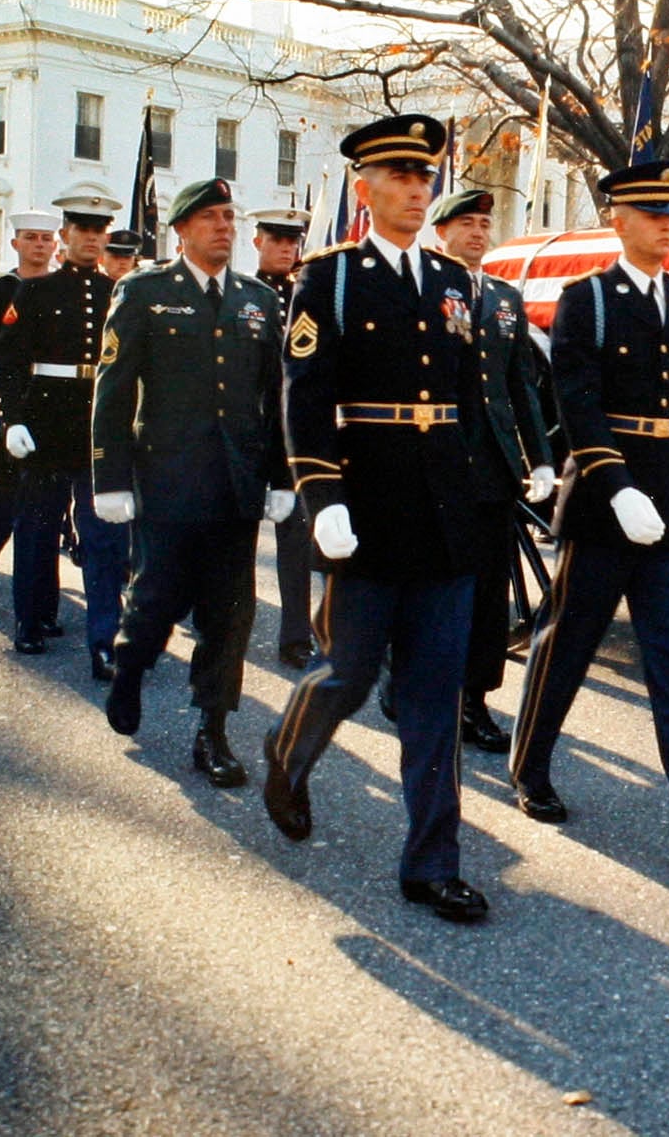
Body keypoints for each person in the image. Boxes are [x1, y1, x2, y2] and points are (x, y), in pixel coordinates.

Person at [260, 116, 491, 924]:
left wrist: (488, 491)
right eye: (400, 175)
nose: (418, 188)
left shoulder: (451, 279)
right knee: (349, 673)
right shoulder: (330, 279)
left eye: (426, 176)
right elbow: (306, 397)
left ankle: (433, 861)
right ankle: (286, 753)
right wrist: (322, 498)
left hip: (443, 516)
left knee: (433, 693)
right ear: (365, 188)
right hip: (365, 508)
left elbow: (468, 398)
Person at [507, 159, 669, 878]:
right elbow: (578, 400)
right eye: (653, 212)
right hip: (604, 504)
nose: (668, 223)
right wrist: (616, 485)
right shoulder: (585, 298)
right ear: (617, 217)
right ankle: (530, 767)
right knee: (567, 647)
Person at [94, 177, 285, 791]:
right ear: (181, 230)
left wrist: (281, 477)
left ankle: (213, 731)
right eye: (209, 218)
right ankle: (130, 665)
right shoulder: (144, 291)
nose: (224, 227)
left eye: (230, 216)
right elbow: (113, 388)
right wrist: (110, 478)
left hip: (235, 485)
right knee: (155, 600)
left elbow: (277, 395)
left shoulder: (258, 299)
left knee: (230, 615)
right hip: (167, 481)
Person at [429, 186, 558, 752]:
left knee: (487, 596)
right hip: (440, 466)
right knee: (435, 587)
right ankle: (419, 685)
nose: (479, 233)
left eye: (484, 224)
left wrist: (542, 459)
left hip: (494, 472)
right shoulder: (427, 290)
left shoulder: (505, 297)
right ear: (442, 232)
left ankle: (474, 702)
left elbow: (519, 387)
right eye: (467, 224)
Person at [0, 188, 131, 679]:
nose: (92, 239)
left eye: (100, 231)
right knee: (36, 528)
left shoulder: (121, 293)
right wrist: (13, 419)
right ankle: (30, 620)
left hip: (100, 425)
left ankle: (105, 639)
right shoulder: (34, 291)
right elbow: (9, 363)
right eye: (83, 230)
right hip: (47, 422)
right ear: (66, 236)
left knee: (104, 538)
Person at [0, 210, 60, 632]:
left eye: (46, 238)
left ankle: (42, 609)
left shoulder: (61, 289)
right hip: (3, 415)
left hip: (48, 418)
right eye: (30, 238)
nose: (39, 245)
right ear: (15, 244)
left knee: (44, 522)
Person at [248, 203, 319, 668]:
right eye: (277, 240)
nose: (287, 248)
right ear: (257, 242)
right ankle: (220, 620)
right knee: (230, 539)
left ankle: (295, 636)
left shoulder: (306, 297)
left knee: (295, 544)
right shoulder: (240, 293)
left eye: (293, 241)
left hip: (289, 434)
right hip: (245, 431)